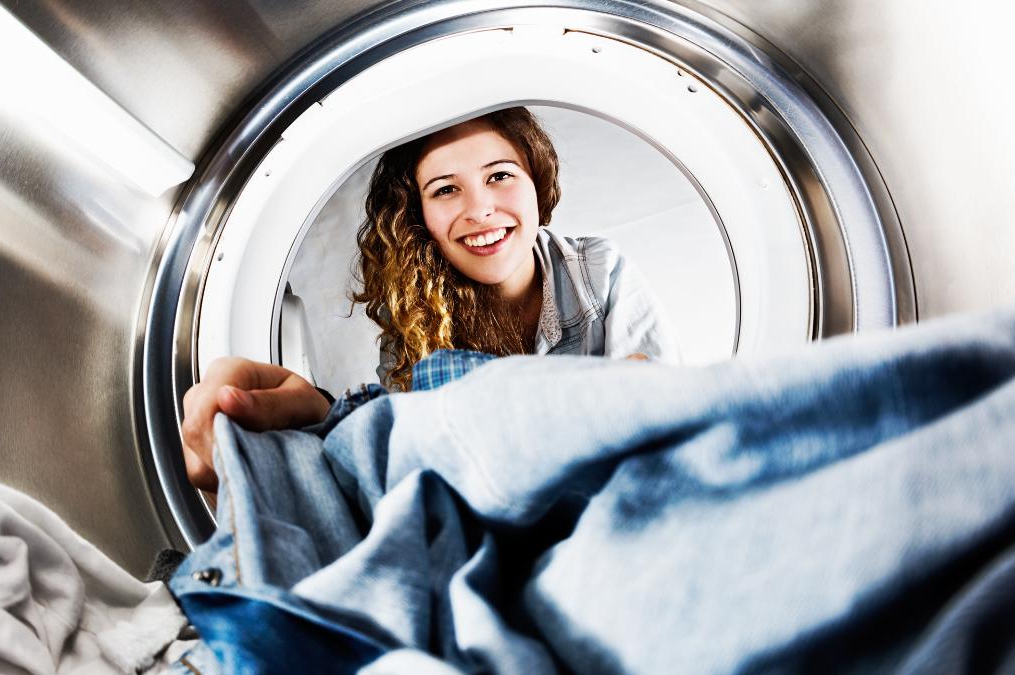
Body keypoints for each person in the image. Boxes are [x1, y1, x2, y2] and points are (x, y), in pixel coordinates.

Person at [182, 107, 676, 491]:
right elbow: (416, 467)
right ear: (419, 219)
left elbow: (659, 411)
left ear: (536, 183)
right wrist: (327, 420)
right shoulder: (416, 322)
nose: (480, 209)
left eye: (500, 175)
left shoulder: (596, 271)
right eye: (445, 190)